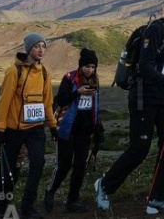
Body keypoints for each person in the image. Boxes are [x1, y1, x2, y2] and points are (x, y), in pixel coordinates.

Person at [95, 0, 164, 215]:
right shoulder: (156, 30)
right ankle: (104, 186)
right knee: (140, 149)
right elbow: (146, 67)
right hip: (144, 98)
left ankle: (156, 198)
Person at [0, 34, 57, 219]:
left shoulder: (45, 72)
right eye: (37, 46)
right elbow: (4, 101)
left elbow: (47, 102)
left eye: (43, 46)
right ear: (29, 49)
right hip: (14, 129)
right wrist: (0, 128)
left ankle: (28, 207)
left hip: (36, 128)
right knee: (8, 167)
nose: (41, 50)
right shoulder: (14, 71)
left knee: (38, 163)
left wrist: (52, 126)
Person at [43, 48, 106, 214]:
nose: (90, 70)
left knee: (80, 165)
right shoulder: (69, 78)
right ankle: (50, 191)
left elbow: (95, 105)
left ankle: (73, 200)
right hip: (67, 128)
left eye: (92, 67)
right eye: (87, 66)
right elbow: (61, 99)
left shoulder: (95, 80)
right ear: (80, 66)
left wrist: (97, 127)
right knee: (64, 164)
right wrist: (77, 92)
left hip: (84, 131)